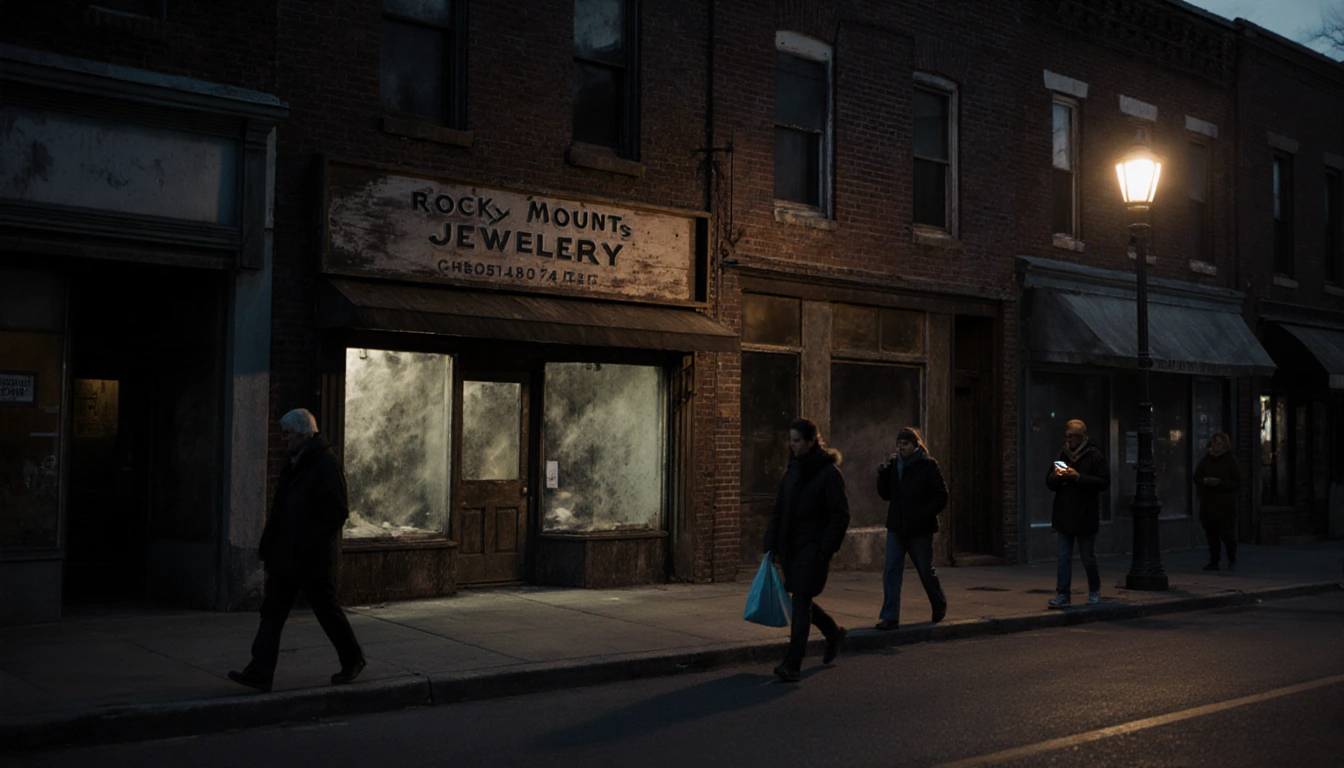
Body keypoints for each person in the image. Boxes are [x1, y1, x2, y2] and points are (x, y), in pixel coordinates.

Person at [228, 408, 365, 692]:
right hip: (285, 555)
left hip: (310, 558)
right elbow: (280, 509)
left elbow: (337, 511)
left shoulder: (325, 463)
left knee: (326, 611)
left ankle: (353, 659)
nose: (283, 438)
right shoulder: (295, 462)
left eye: (288, 433)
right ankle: (259, 672)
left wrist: (310, 544)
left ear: (303, 434)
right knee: (272, 613)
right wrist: (270, 542)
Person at [763, 418, 851, 683]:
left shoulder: (829, 473)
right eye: (790, 440)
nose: (792, 445)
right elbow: (779, 510)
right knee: (801, 601)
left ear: (812, 441)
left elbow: (840, 516)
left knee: (800, 601)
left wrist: (824, 550)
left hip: (812, 549)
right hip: (790, 548)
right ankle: (833, 632)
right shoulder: (792, 471)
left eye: (797, 440)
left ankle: (793, 663)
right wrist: (770, 545)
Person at [875, 427, 949, 631]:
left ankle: (939, 603)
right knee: (891, 570)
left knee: (925, 570)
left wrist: (923, 514)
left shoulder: (927, 465)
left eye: (905, 444)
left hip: (920, 530)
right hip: (897, 528)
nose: (900, 448)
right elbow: (885, 494)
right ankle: (889, 617)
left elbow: (941, 496)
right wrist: (883, 474)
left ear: (915, 445)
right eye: (898, 444)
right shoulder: (894, 466)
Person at [1046, 419, 1110, 608]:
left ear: (1081, 436)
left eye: (1071, 435)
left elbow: (1103, 482)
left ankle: (1094, 589)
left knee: (1087, 556)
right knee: (1063, 556)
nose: (1068, 439)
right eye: (1066, 435)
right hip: (1065, 514)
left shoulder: (1094, 456)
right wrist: (1056, 476)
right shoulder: (1062, 454)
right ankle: (1063, 594)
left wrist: (1078, 478)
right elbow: (1049, 483)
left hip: (1085, 515)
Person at [1193, 432, 1242, 571]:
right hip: (1209, 503)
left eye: (1218, 443)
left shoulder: (1230, 460)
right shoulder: (1207, 460)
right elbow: (1196, 476)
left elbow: (1237, 481)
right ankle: (1214, 561)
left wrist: (1220, 483)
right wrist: (1205, 481)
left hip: (1225, 504)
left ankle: (1232, 558)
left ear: (1225, 445)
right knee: (1211, 534)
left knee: (1227, 534)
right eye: (1214, 443)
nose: (1215, 446)